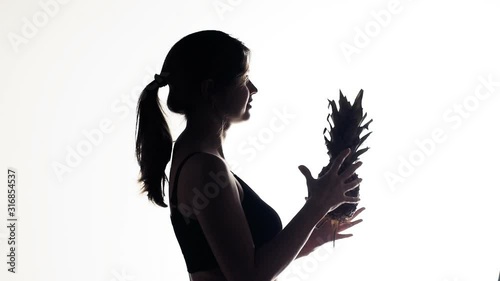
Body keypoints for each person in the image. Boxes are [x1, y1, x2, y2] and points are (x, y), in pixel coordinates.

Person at [135, 30, 364, 281]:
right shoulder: (204, 167)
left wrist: (310, 238)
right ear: (211, 90)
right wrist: (316, 205)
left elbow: (236, 260)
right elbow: (248, 278)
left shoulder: (199, 157)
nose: (253, 89)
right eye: (244, 79)